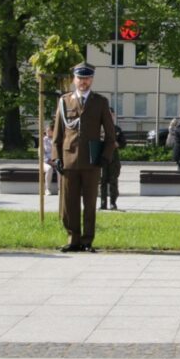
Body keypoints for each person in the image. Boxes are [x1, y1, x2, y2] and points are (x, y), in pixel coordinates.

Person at [52, 63, 117, 253]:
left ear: (92, 79)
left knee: (89, 203)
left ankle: (87, 240)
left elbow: (111, 135)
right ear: (74, 79)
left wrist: (105, 157)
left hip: (92, 160)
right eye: (80, 78)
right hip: (68, 160)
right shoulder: (64, 102)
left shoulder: (100, 102)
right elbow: (57, 134)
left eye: (87, 78)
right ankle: (73, 239)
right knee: (69, 204)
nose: (83, 82)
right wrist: (56, 157)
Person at [100, 113, 127, 210]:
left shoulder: (117, 129)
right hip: (103, 159)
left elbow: (123, 143)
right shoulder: (101, 129)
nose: (110, 117)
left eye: (111, 115)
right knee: (102, 182)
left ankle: (113, 203)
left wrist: (118, 144)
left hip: (114, 159)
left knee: (113, 181)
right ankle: (103, 203)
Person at [42, 122, 59, 196]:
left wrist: (56, 161)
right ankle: (47, 189)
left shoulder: (56, 139)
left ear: (53, 131)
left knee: (60, 170)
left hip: (56, 161)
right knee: (49, 169)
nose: (47, 132)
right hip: (45, 162)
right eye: (46, 130)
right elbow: (42, 154)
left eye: (49, 130)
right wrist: (49, 161)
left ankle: (60, 189)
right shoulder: (43, 140)